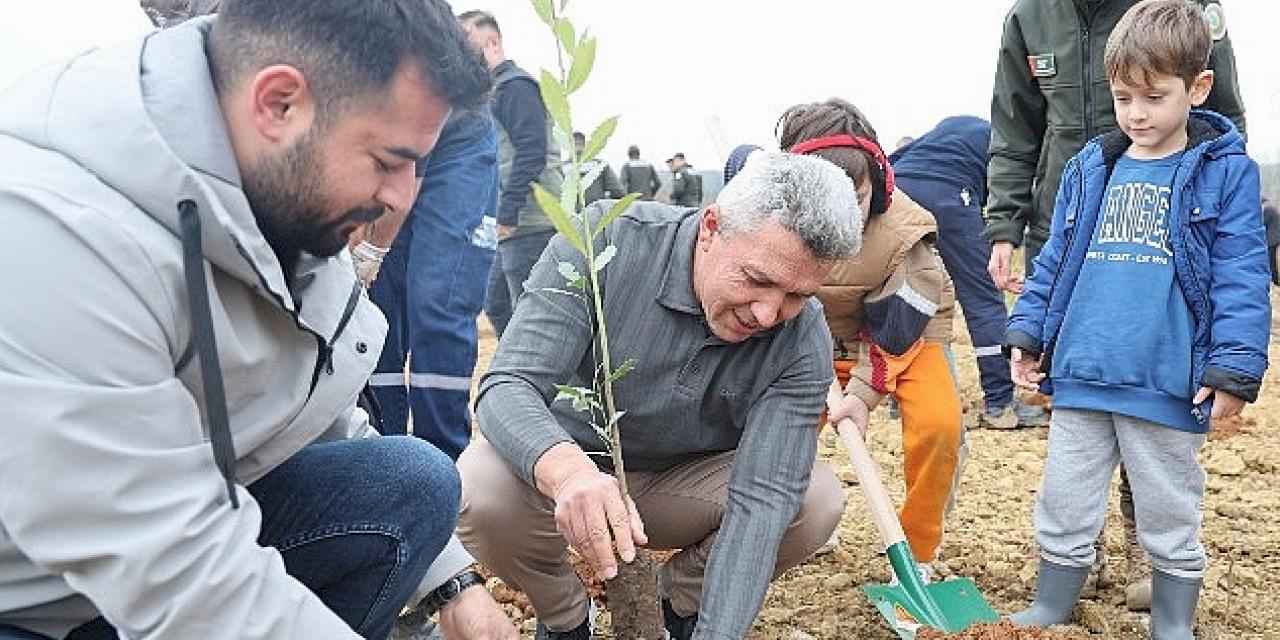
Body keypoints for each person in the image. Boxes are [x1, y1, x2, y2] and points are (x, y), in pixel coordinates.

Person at [0, 2, 516, 639]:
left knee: (411, 482)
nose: (401, 199)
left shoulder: (284, 188)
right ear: (278, 103)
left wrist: (453, 583)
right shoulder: (58, 230)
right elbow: (175, 572)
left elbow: (315, 409)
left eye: (418, 166)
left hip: (175, 531)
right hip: (37, 598)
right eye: (387, 161)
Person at [457, 152, 862, 640]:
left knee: (813, 501)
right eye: (758, 280)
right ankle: (565, 614)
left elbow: (763, 500)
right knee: (477, 487)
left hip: (683, 488)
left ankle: (676, 603)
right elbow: (508, 385)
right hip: (574, 472)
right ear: (711, 228)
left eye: (797, 295)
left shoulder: (800, 340)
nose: (768, 313)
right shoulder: (605, 242)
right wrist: (567, 471)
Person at [1005, 3, 1269, 637]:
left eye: (1153, 97)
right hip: (1083, 372)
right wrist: (1028, 332)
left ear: (1197, 88)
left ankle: (1172, 618)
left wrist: (1233, 368)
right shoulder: (1091, 169)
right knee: (1064, 499)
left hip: (1165, 377)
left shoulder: (1224, 174)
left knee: (1168, 505)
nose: (1136, 114)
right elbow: (1056, 261)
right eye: (1123, 97)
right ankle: (1053, 602)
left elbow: (1241, 274)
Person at [776, 99, 965, 581]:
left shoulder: (905, 237)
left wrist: (860, 395)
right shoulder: (775, 225)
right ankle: (810, 522)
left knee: (939, 426)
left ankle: (918, 548)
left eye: (854, 198)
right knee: (782, 431)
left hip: (907, 337)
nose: (839, 214)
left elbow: (897, 333)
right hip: (818, 336)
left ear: (877, 186)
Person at [984, 0, 1246, 291]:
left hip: (1161, 233)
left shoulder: (1184, 6)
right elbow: (1014, 132)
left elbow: (1225, 119)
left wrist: (1221, 214)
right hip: (1061, 229)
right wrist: (1004, 229)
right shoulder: (1028, 16)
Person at [890, 117, 1049, 430]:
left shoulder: (948, 131)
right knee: (984, 300)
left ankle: (901, 397)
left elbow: (894, 159)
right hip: (949, 193)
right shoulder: (1008, 144)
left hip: (898, 191)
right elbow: (1010, 197)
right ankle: (1000, 403)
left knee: (905, 294)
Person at [367, 109, 500, 461]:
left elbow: (406, 185)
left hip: (456, 135)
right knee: (374, 307)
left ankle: (444, 458)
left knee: (438, 298)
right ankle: (381, 453)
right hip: (385, 136)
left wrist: (372, 247)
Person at [460, 10, 565, 338]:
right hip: (507, 223)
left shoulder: (515, 87)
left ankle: (547, 383)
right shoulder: (491, 93)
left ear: (492, 43)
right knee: (497, 303)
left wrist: (508, 213)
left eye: (465, 41)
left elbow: (531, 154)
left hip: (530, 219)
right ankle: (524, 375)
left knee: (534, 315)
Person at [570, 131, 624, 205]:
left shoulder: (560, 168)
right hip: (597, 212)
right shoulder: (600, 165)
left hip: (568, 215)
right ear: (585, 145)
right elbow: (618, 192)